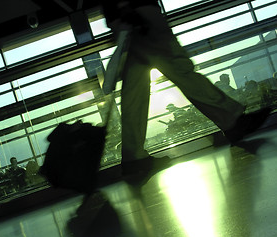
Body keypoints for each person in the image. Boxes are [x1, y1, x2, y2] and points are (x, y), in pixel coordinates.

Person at [99, 0, 271, 176]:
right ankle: (231, 120)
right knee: (180, 69)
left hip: (121, 17)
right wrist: (124, 6)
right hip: (137, 11)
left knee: (135, 90)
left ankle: (133, 158)